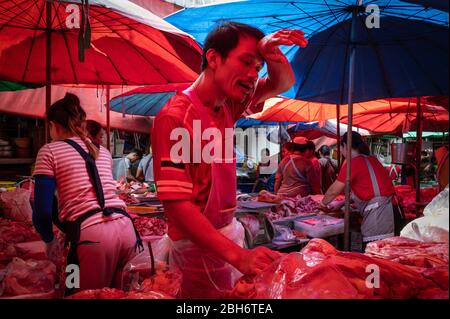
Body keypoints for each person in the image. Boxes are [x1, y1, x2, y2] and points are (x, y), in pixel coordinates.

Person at [152, 22, 307, 298]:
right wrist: (239, 256)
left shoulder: (229, 105)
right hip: (194, 253)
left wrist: (269, 52)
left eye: (256, 68)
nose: (252, 75)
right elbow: (177, 205)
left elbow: (283, 82)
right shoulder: (175, 117)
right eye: (246, 62)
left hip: (227, 239)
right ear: (213, 58)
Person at [32, 93, 143, 294]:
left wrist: (49, 241)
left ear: (54, 125)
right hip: (127, 231)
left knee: (74, 292)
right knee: (119, 294)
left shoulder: (49, 151)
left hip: (90, 240)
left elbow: (41, 210)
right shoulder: (102, 152)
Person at [320, 131, 404, 247]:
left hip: (380, 216)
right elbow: (369, 189)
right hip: (395, 212)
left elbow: (334, 190)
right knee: (389, 256)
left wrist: (322, 205)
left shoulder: (353, 163)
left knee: (376, 256)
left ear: (345, 146)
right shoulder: (372, 159)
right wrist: (341, 204)